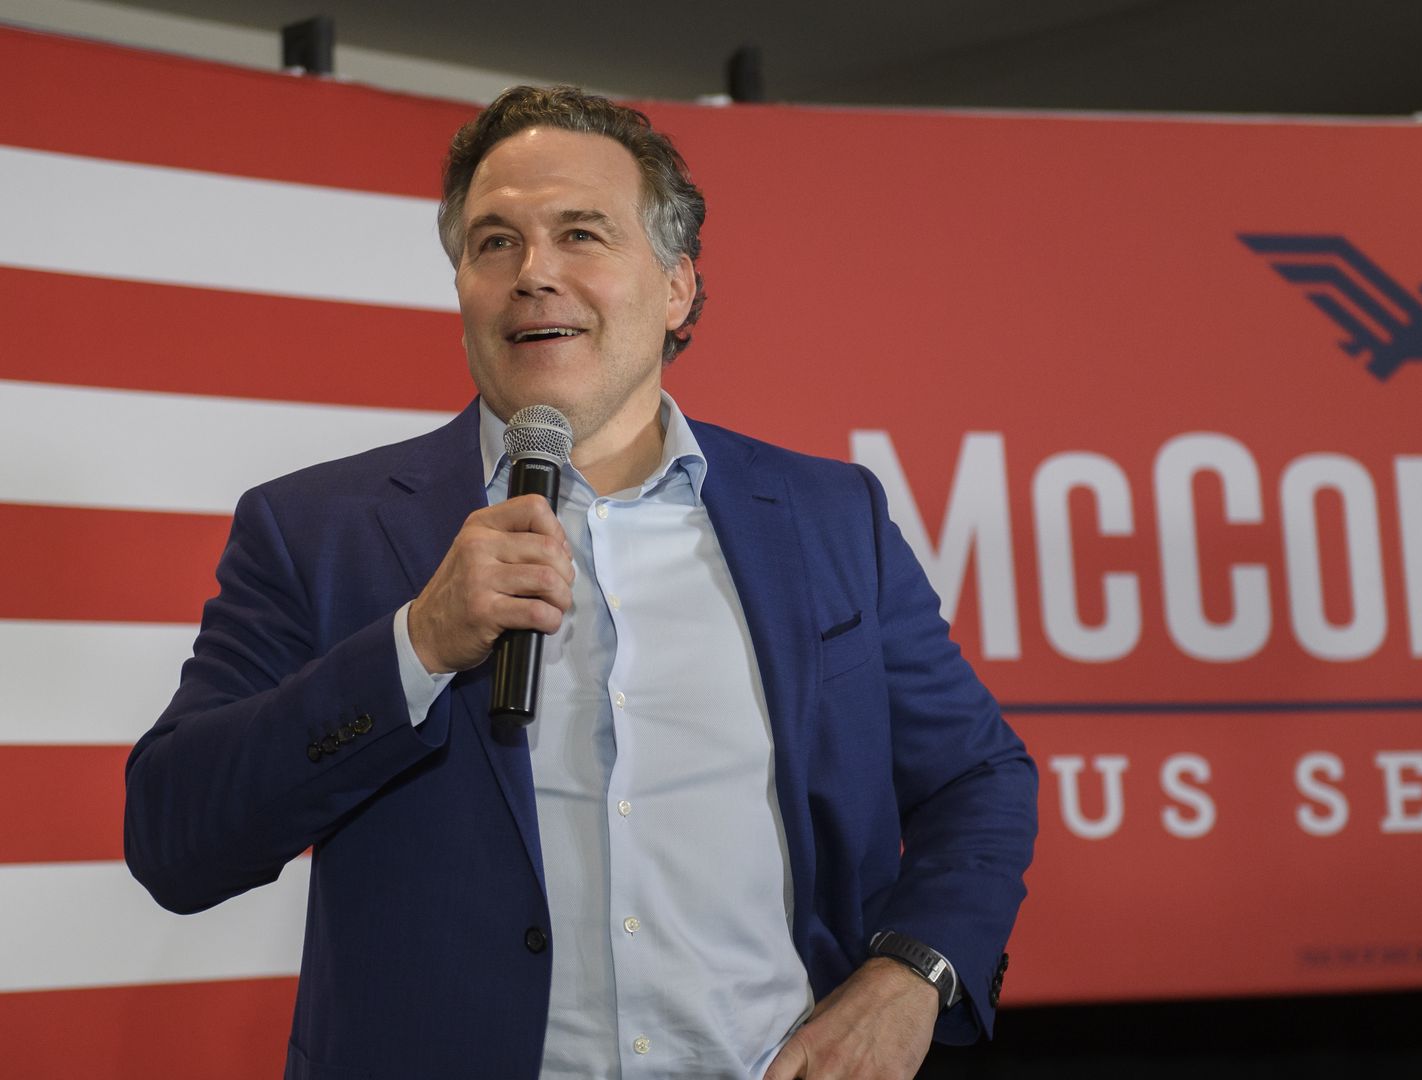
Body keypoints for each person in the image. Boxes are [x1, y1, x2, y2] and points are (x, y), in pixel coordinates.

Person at [123, 85, 1038, 1080]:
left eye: (581, 234)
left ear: (678, 286)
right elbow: (176, 839)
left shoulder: (829, 518)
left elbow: (978, 778)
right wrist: (416, 648)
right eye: (494, 243)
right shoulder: (317, 531)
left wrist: (913, 972)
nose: (534, 275)